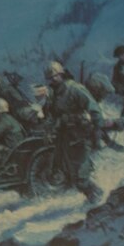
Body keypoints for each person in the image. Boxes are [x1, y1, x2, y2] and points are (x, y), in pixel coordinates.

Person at [42, 61, 103, 203]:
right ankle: (96, 195)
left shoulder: (75, 89)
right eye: (50, 78)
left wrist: (97, 132)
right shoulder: (53, 94)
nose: (52, 81)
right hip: (66, 138)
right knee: (71, 177)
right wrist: (48, 130)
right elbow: (52, 115)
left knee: (81, 178)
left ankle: (97, 199)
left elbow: (94, 110)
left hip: (82, 135)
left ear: (61, 75)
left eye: (54, 77)